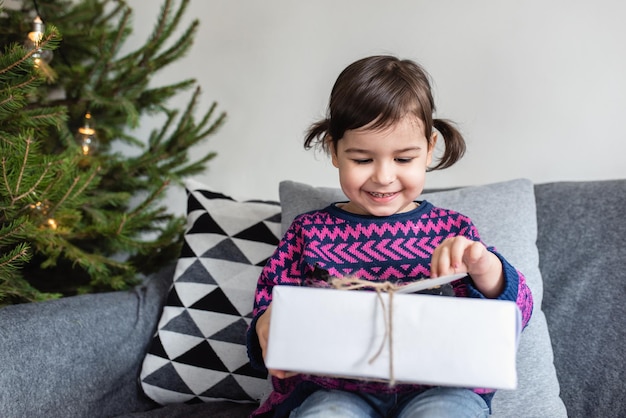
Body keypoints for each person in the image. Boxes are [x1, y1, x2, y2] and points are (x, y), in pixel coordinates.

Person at [246, 55, 533, 418]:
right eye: (363, 159)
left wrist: (485, 267)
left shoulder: (453, 232)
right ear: (334, 150)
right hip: (332, 392)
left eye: (403, 159)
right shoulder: (309, 232)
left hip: (440, 388)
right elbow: (268, 305)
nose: (383, 177)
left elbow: (515, 314)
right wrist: (267, 323)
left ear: (429, 150)